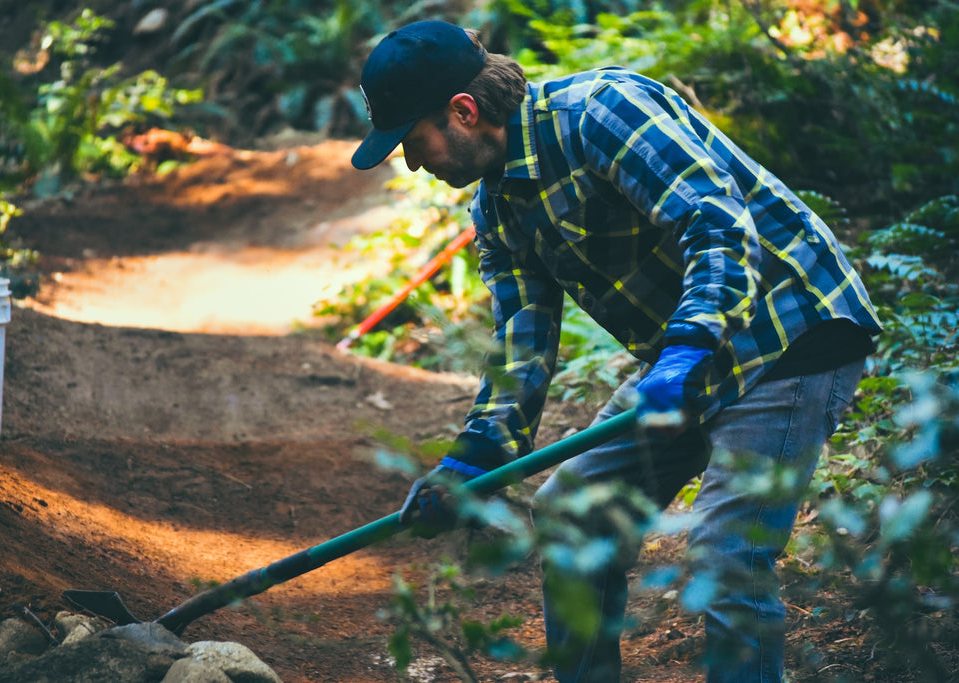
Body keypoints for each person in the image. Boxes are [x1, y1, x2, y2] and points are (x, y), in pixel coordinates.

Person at [351, 19, 882, 683]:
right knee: (574, 512)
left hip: (791, 328)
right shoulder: (498, 208)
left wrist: (686, 351)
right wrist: (470, 459)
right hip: (691, 359)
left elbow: (714, 222)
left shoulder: (600, 113)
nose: (412, 162)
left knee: (726, 553)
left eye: (411, 140)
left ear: (463, 110)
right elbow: (524, 337)